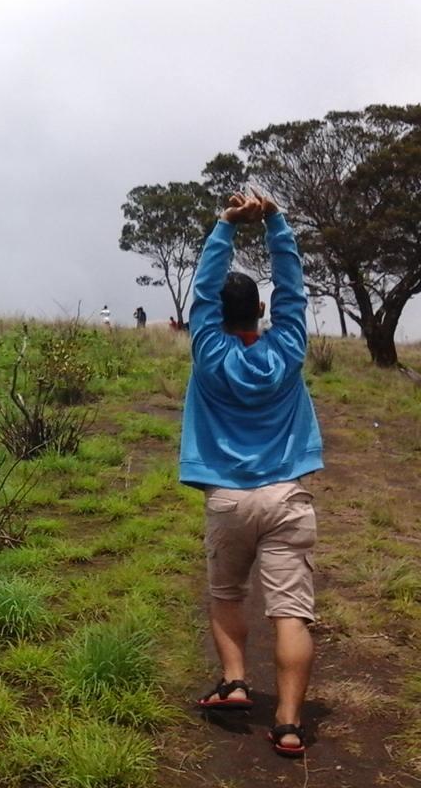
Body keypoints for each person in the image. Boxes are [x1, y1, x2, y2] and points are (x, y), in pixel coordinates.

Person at [181, 190, 323, 759]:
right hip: (287, 496)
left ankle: (235, 681)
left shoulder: (208, 352)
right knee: (291, 612)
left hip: (228, 501)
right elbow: (294, 288)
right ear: (261, 312)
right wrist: (277, 224)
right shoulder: (287, 347)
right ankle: (289, 724)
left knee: (226, 593)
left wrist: (225, 225)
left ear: (213, 312)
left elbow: (201, 289)